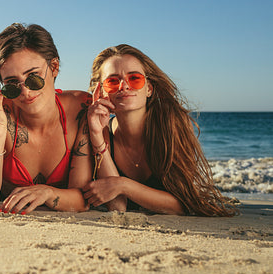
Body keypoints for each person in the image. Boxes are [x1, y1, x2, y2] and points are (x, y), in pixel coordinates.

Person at [84, 44, 236, 216]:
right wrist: (96, 135)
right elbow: (117, 207)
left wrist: (122, 185)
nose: (124, 86)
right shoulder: (102, 131)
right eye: (112, 81)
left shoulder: (170, 126)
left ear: (149, 88)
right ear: (102, 91)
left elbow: (185, 203)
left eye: (134, 78)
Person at [0, 23, 91, 214]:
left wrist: (47, 193)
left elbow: (83, 200)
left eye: (33, 77)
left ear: (54, 67)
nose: (25, 91)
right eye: (12, 84)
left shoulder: (80, 108)